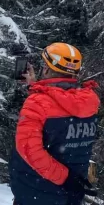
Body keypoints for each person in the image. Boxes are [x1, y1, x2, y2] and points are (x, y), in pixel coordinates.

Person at [9, 43, 100, 205]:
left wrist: (64, 179)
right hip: (71, 192)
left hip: (37, 191)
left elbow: (29, 150)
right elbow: (59, 107)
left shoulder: (37, 103)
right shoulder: (89, 100)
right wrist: (35, 87)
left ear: (46, 69)